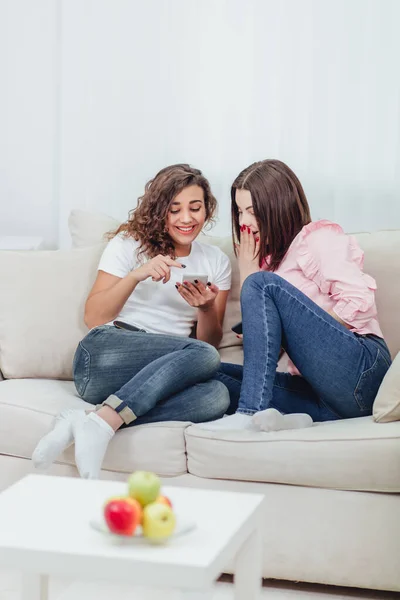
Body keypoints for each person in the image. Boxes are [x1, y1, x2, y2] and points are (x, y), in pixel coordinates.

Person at [32, 164, 232, 477]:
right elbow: (94, 317)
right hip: (104, 356)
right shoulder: (128, 245)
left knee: (216, 396)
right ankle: (99, 421)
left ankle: (93, 420)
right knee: (205, 357)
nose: (186, 218)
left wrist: (206, 309)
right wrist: (136, 275)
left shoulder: (216, 261)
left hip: (155, 375)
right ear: (160, 211)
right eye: (175, 209)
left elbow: (207, 344)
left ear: (207, 210)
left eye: (196, 208)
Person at [200, 159, 391, 432]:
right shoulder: (271, 264)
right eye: (240, 211)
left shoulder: (317, 238)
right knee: (208, 373)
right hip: (319, 391)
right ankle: (298, 419)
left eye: (252, 211)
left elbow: (359, 301)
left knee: (262, 284)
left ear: (277, 206)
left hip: (361, 372)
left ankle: (249, 412)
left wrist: (256, 284)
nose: (244, 221)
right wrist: (251, 277)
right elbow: (271, 354)